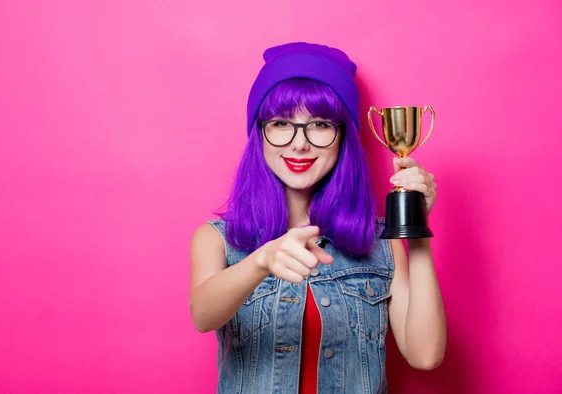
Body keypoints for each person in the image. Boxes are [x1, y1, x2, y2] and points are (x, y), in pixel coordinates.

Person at [189, 42, 446, 394]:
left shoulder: (381, 243)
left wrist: (414, 229)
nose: (299, 144)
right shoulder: (218, 238)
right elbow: (203, 315)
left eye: (320, 124)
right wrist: (262, 261)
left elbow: (426, 354)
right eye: (281, 123)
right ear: (259, 134)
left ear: (342, 136)